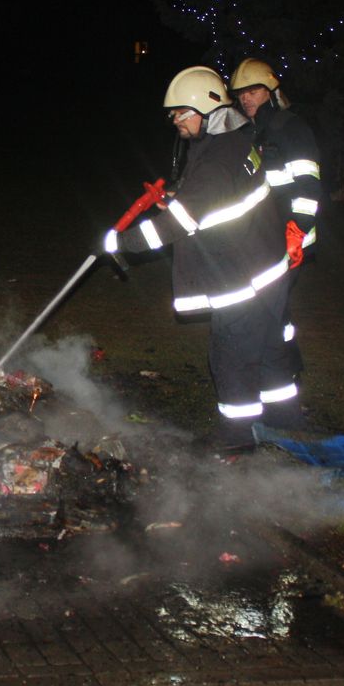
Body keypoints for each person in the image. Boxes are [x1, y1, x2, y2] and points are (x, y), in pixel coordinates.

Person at [103, 66, 295, 453]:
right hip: (267, 268)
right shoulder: (232, 143)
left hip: (242, 279)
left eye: (180, 113)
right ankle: (286, 424)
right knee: (270, 351)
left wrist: (122, 243)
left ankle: (237, 439)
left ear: (205, 111)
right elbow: (212, 200)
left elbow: (177, 224)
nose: (175, 121)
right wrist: (179, 196)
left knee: (231, 356)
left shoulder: (218, 159)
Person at [228, 58, 321, 428]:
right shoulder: (253, 131)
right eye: (241, 93)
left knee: (271, 316)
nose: (247, 99)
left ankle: (284, 396)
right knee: (274, 317)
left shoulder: (290, 127)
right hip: (264, 239)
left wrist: (298, 230)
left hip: (289, 238)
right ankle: (281, 384)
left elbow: (309, 186)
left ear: (271, 91)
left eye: (253, 91)